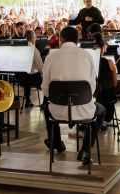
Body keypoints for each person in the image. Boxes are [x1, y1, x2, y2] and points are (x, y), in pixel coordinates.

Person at [42, 26, 105, 165]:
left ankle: (56, 142)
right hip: (83, 110)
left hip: (57, 111)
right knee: (101, 111)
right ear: (77, 41)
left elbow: (46, 92)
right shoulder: (86, 55)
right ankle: (86, 151)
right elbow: (92, 88)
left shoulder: (51, 56)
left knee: (46, 107)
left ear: (62, 39)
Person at [16, 30, 45, 107]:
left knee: (30, 73)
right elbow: (40, 67)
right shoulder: (33, 49)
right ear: (32, 38)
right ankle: (45, 102)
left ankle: (28, 99)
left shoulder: (19, 48)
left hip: (19, 76)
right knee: (42, 75)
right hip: (31, 77)